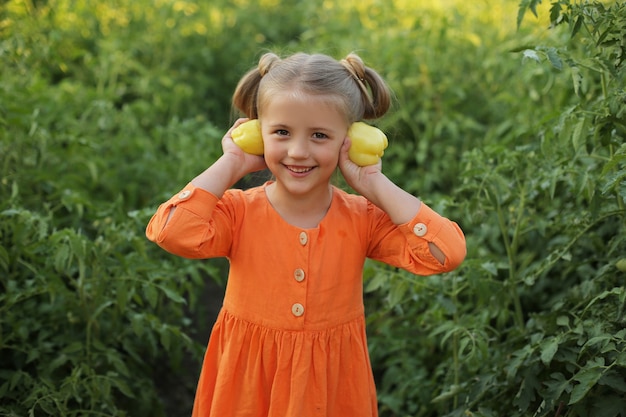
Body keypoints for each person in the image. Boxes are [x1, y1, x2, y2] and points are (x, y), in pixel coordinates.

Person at [146, 51, 466, 417]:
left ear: (351, 139)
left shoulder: (363, 218)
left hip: (330, 394)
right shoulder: (237, 212)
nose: (298, 152)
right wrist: (231, 162)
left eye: (319, 135)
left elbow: (445, 253)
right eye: (281, 132)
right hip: (249, 394)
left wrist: (373, 183)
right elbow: (170, 231)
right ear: (256, 134)